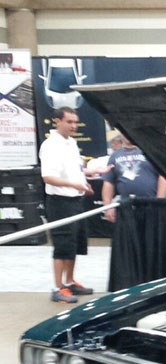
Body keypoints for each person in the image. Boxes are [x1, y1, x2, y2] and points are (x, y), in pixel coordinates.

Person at [39, 107, 113, 303]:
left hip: (76, 200)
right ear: (57, 121)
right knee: (62, 245)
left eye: (75, 122)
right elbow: (48, 177)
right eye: (69, 122)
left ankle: (69, 282)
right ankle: (57, 288)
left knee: (74, 243)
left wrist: (91, 174)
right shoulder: (50, 146)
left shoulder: (71, 143)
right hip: (60, 202)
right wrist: (74, 185)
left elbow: (76, 169)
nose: (74, 126)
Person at [101, 134, 166, 223]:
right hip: (127, 208)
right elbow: (108, 182)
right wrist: (107, 207)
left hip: (151, 207)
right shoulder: (115, 156)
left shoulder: (152, 151)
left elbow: (164, 177)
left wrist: (159, 203)